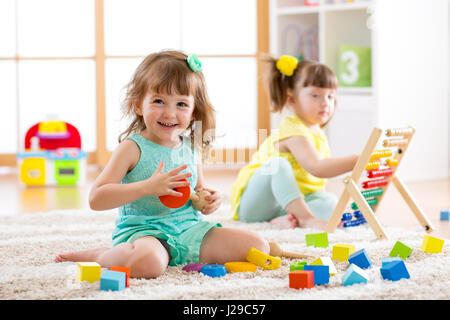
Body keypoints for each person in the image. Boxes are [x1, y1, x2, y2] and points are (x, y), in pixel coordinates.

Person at [54, 50, 269, 279]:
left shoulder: (190, 147)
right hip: (146, 233)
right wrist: (147, 187)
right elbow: (96, 199)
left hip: (189, 230)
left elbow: (197, 193)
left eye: (181, 104)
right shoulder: (132, 148)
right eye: (158, 101)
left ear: (193, 110)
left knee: (257, 247)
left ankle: (178, 254)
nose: (169, 113)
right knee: (147, 265)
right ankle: (103, 255)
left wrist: (207, 200)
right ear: (138, 105)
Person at [230, 55, 359, 230]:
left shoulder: (318, 133)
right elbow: (317, 167)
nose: (325, 103)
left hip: (284, 204)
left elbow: (313, 183)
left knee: (330, 203)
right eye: (316, 95)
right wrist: (358, 160)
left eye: (330, 96)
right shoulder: (292, 129)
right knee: (278, 164)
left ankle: (286, 220)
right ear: (291, 99)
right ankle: (305, 219)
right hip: (255, 204)